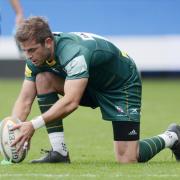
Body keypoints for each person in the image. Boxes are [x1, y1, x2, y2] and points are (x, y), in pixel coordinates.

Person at [11, 16, 180, 164]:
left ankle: (172, 136)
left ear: (48, 42)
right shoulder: (35, 60)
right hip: (88, 83)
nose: (29, 56)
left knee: (127, 158)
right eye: (25, 51)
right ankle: (59, 152)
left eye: (32, 50)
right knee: (43, 79)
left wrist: (33, 125)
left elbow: (71, 102)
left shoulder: (74, 53)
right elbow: (25, 100)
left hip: (120, 85)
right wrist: (13, 130)